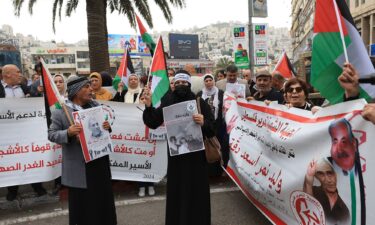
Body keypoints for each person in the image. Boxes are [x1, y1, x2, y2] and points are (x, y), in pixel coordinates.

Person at [143, 70, 215, 225]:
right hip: (177, 157)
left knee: (197, 191)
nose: (181, 85)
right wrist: (149, 106)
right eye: (178, 83)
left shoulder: (198, 102)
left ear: (189, 84)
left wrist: (204, 122)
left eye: (184, 83)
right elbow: (153, 122)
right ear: (173, 84)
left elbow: (212, 128)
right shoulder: (167, 100)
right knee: (178, 191)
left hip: (196, 156)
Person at [48, 76, 117, 225]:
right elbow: (52, 135)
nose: (91, 89)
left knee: (103, 202)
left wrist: (106, 127)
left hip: (99, 164)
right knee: (83, 207)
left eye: (90, 86)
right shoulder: (61, 111)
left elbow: (104, 130)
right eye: (86, 87)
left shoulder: (95, 106)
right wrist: (68, 132)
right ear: (75, 91)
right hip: (80, 169)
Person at [1, 64, 47, 201]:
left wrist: (36, 93)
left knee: (30, 158)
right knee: (11, 161)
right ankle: (12, 191)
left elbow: (34, 102)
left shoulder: (24, 88)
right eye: (17, 72)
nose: (20, 74)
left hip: (26, 132)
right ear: (7, 74)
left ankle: (38, 187)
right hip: (6, 134)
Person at [197, 74, 227, 176]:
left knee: (218, 147)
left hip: (218, 125)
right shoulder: (200, 94)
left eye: (210, 80)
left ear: (214, 81)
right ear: (204, 82)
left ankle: (218, 171)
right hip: (205, 126)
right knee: (208, 148)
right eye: (206, 81)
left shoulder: (221, 93)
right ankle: (207, 172)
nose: (208, 82)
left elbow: (225, 107)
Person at [303, 159, 350, 224]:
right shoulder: (313, 191)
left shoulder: (344, 209)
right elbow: (307, 201)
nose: (328, 180)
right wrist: (309, 176)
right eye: (321, 174)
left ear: (336, 175)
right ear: (317, 177)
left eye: (330, 173)